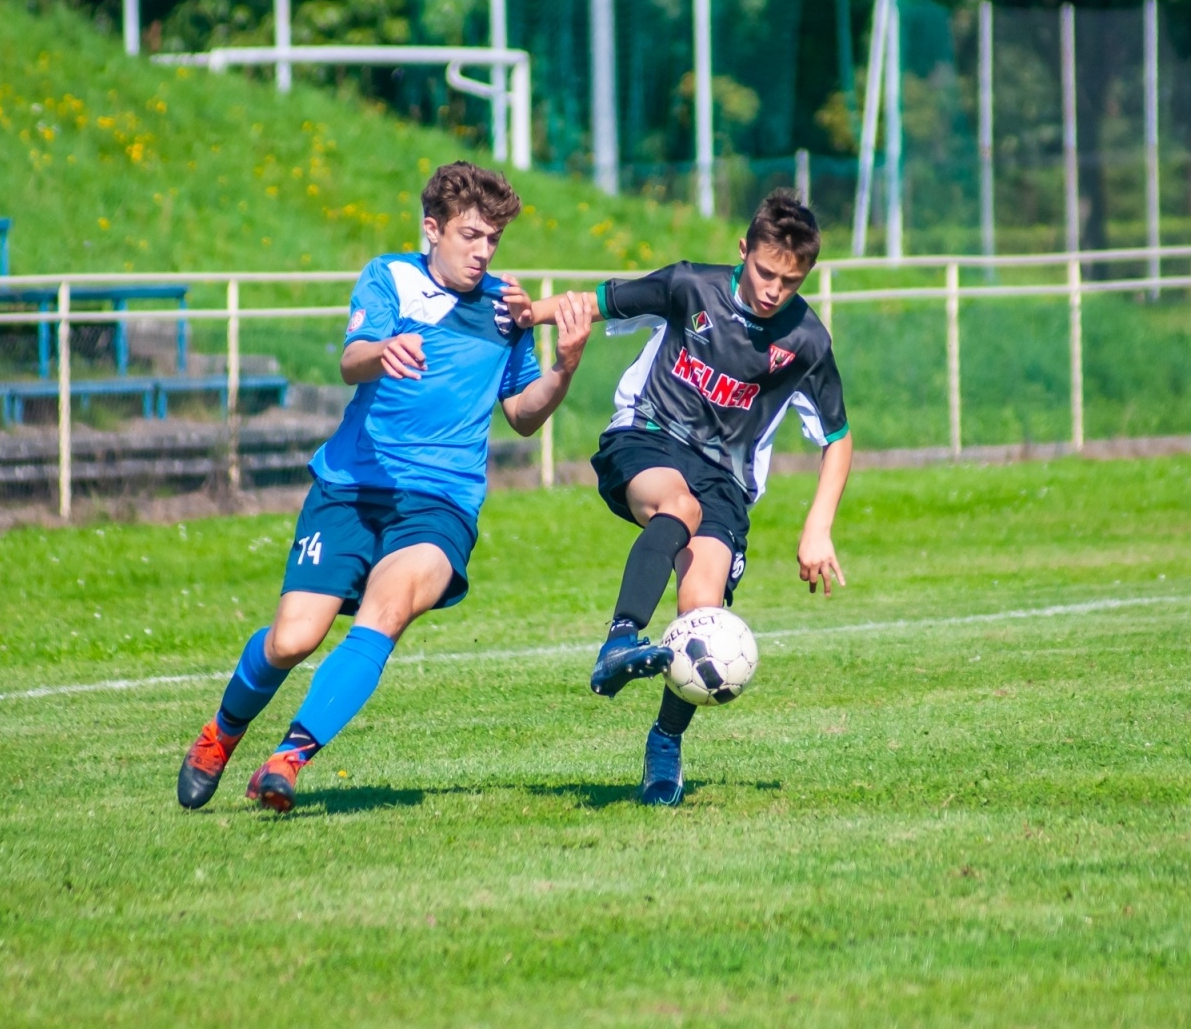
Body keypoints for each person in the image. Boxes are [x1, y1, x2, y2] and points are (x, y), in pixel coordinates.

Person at [176, 161, 593, 813]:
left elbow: (523, 416)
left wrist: (565, 368)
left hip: (442, 501)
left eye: (493, 240)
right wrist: (383, 350)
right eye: (471, 236)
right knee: (293, 639)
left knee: (388, 610)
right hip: (352, 487)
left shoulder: (508, 305)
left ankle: (287, 759)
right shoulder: (390, 277)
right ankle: (221, 733)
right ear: (433, 229)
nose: (484, 252)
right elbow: (350, 361)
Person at [524, 189, 852, 807]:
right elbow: (592, 303)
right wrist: (518, 315)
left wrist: (818, 529)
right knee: (677, 506)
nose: (774, 289)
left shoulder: (806, 340)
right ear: (742, 251)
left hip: (725, 481)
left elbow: (838, 437)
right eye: (764, 271)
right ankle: (619, 640)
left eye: (790, 278)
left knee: (703, 611)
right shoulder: (689, 287)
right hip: (646, 438)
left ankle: (665, 744)